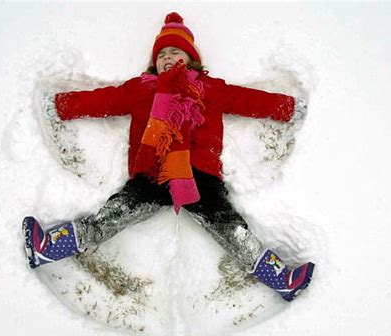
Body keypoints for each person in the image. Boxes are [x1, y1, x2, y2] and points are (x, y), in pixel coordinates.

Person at [23, 12, 314, 302]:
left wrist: (286, 109)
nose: (168, 57)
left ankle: (280, 279)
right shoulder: (141, 89)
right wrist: (63, 106)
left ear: (191, 59)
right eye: (161, 54)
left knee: (231, 229)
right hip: (152, 172)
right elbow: (104, 100)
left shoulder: (209, 89)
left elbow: (248, 100)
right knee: (111, 216)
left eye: (176, 51)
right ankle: (48, 248)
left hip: (199, 176)